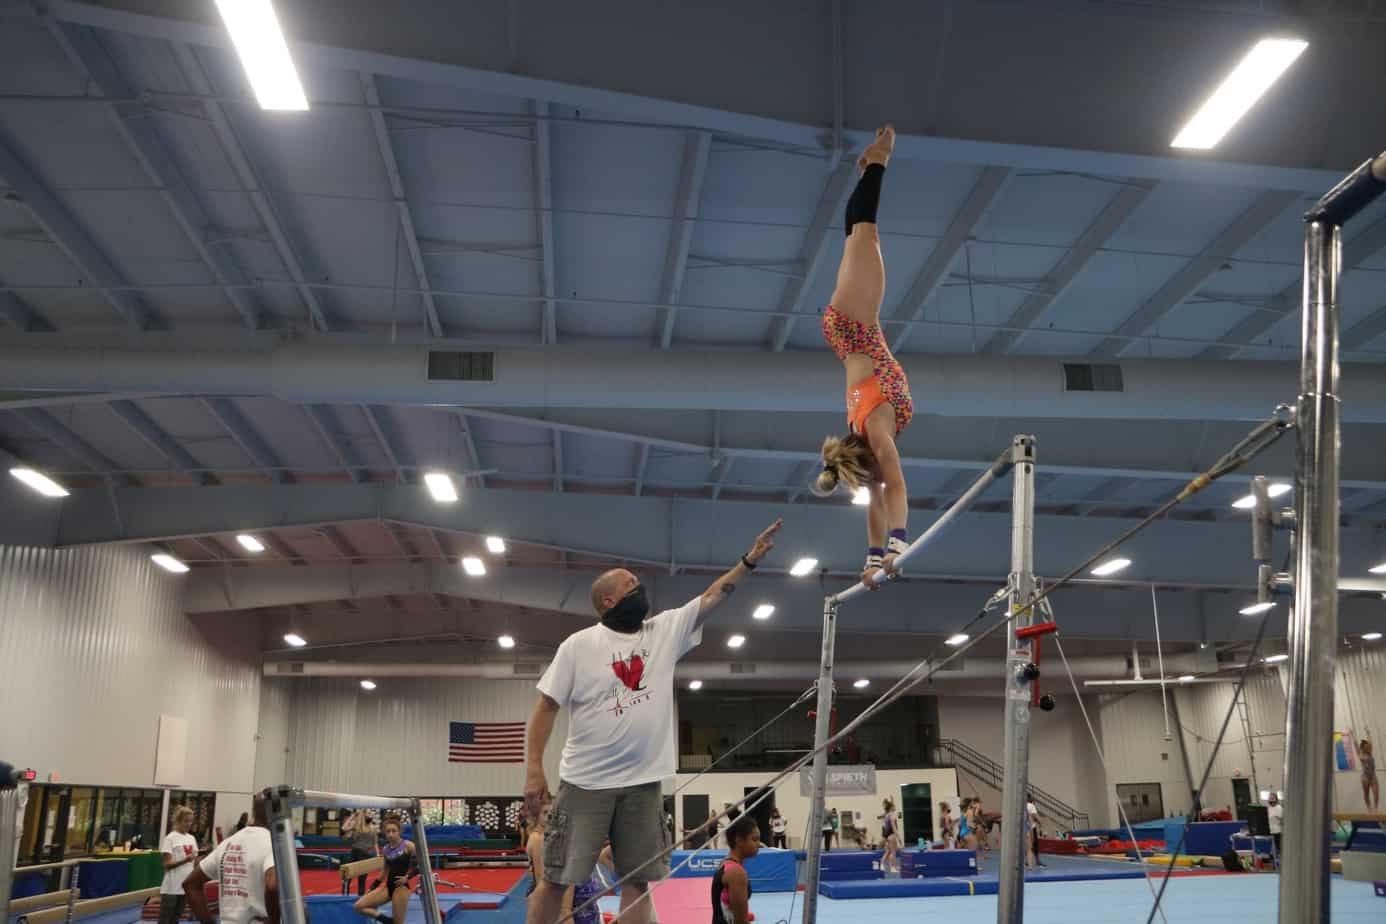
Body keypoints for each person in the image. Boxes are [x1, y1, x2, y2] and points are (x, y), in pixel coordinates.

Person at [523, 520, 783, 924]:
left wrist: (749, 561)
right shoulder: (578, 646)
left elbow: (713, 597)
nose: (639, 587)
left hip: (643, 785)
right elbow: (545, 707)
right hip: (587, 782)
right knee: (557, 880)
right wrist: (534, 768)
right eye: (630, 584)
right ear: (609, 600)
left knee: (637, 881)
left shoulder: (663, 631)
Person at [811, 125, 914, 589]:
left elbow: (895, 487)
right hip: (845, 333)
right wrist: (872, 559)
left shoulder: (876, 431)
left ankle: (880, 161)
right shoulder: (861, 432)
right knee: (856, 238)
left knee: (866, 234)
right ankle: (868, 166)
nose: (877, 479)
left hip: (856, 325)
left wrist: (898, 545)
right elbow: (877, 500)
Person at [184, 797, 278, 924]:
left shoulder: (228, 842)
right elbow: (272, 886)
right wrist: (274, 920)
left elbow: (190, 884)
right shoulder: (272, 843)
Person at [352, 815, 416, 924]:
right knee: (358, 906)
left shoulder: (408, 845)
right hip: (388, 887)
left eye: (393, 831)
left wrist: (407, 877)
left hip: (401, 888)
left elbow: (420, 866)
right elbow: (384, 872)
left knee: (398, 923)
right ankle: (387, 921)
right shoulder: (386, 849)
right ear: (385, 833)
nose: (390, 834)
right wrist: (372, 887)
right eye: (388, 831)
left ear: (399, 832)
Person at [711, 814, 760, 924]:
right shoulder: (736, 873)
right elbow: (741, 921)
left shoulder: (725, 864)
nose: (759, 844)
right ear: (739, 840)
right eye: (754, 839)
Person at [158, 806, 199, 924]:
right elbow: (166, 864)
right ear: (178, 821)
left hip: (185, 885)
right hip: (171, 886)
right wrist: (185, 860)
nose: (189, 824)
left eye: (191, 821)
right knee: (165, 919)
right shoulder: (170, 838)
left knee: (176, 919)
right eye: (186, 821)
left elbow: (194, 862)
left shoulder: (191, 838)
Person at [343, 810, 379, 897]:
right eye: (368, 813)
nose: (370, 815)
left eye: (371, 814)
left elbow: (375, 843)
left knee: (362, 878)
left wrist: (378, 854)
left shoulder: (373, 828)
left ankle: (360, 896)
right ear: (363, 815)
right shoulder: (357, 826)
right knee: (348, 875)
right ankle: (344, 895)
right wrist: (352, 816)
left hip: (366, 854)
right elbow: (344, 828)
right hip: (356, 852)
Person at [879, 799, 900, 875]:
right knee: (893, 852)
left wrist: (885, 837)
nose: (895, 807)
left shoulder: (887, 815)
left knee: (888, 852)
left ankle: (882, 865)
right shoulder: (892, 815)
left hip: (888, 835)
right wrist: (899, 837)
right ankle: (893, 868)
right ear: (891, 807)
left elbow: (886, 827)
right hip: (892, 835)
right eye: (894, 806)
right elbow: (894, 828)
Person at [1026, 794, 1045, 868]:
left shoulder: (1023, 806)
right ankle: (1036, 861)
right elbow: (1035, 816)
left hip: (1023, 828)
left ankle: (1027, 861)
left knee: (1027, 846)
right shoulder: (1031, 806)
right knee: (1033, 845)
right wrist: (1041, 824)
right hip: (1030, 828)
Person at [1361, 739, 1379, 811]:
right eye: (1366, 747)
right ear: (1363, 748)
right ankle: (1369, 808)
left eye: (1368, 746)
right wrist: (1353, 736)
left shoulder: (1370, 752)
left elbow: (1370, 742)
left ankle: (1375, 808)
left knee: (1376, 792)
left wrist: (1368, 733)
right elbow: (1356, 745)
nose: (1368, 748)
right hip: (1365, 777)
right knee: (1366, 793)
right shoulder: (1361, 754)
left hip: (1373, 776)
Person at [1266, 792, 1283, 856]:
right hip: (1270, 831)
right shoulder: (1268, 808)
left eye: (1272, 798)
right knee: (1273, 851)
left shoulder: (1279, 808)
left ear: (1276, 799)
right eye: (1270, 798)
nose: (1271, 800)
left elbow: (1283, 820)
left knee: (1279, 849)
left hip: (1278, 832)